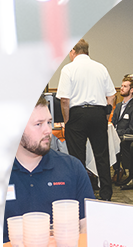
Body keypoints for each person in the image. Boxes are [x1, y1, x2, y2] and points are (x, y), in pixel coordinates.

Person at [8, 101, 94, 235]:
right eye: (38, 124)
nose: (48, 130)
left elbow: (87, 225)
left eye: (49, 122)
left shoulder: (72, 168)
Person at [57, 39, 115, 199]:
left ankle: (82, 194)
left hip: (77, 114)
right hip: (98, 113)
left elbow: (64, 100)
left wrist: (67, 121)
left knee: (77, 157)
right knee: (102, 156)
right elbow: (111, 95)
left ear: (72, 51)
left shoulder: (68, 69)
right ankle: (106, 193)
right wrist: (106, 114)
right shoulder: (100, 67)